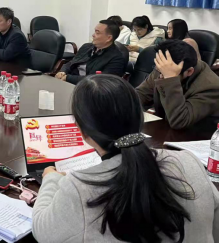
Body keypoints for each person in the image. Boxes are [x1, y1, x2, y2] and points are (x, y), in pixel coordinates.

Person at [33, 74, 219, 243]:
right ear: (140, 117)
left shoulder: (79, 188)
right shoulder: (189, 161)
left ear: (83, 133)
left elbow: (42, 232)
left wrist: (51, 179)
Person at [136, 39, 219, 129]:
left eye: (165, 74)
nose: (160, 76)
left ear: (189, 71)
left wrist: (170, 79)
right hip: (165, 128)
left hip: (196, 133)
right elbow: (139, 96)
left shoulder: (211, 87)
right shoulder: (164, 68)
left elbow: (179, 121)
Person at [55, 20, 125, 85]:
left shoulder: (117, 58)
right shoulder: (86, 47)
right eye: (94, 31)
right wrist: (62, 72)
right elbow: (71, 62)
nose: (93, 35)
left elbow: (99, 81)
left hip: (90, 89)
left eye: (97, 32)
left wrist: (68, 78)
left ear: (109, 38)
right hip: (69, 82)